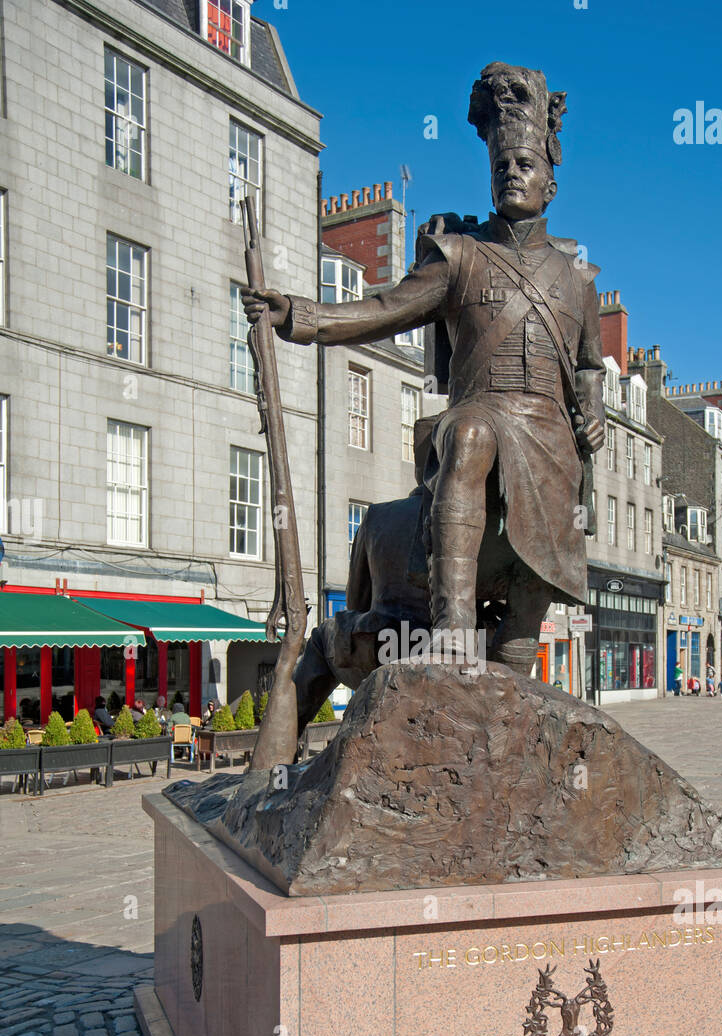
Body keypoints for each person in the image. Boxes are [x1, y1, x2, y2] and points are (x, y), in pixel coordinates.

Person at [242, 62, 605, 674]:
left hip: (549, 437)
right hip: (481, 414)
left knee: (519, 646)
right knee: (467, 432)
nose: (512, 174)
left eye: (526, 166)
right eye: (502, 167)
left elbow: (590, 365)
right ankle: (454, 624)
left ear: (550, 183)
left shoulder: (579, 280)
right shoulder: (459, 255)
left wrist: (592, 410)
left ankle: (513, 664)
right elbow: (383, 311)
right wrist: (299, 316)